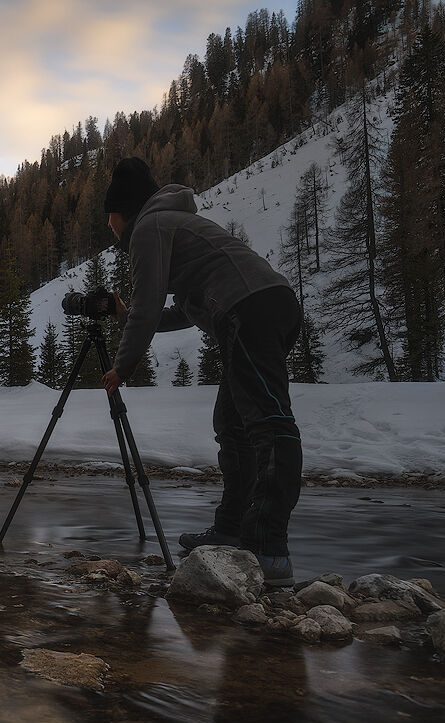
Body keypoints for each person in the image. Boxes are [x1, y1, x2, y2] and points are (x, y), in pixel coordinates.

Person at [99, 156, 302, 587]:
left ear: (123, 210)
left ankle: (269, 549)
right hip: (262, 307)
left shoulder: (151, 228)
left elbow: (149, 303)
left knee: (269, 425)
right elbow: (178, 313)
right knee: (232, 424)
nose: (109, 226)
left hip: (251, 311)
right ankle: (232, 528)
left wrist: (122, 366)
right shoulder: (173, 227)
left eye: (109, 216)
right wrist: (125, 316)